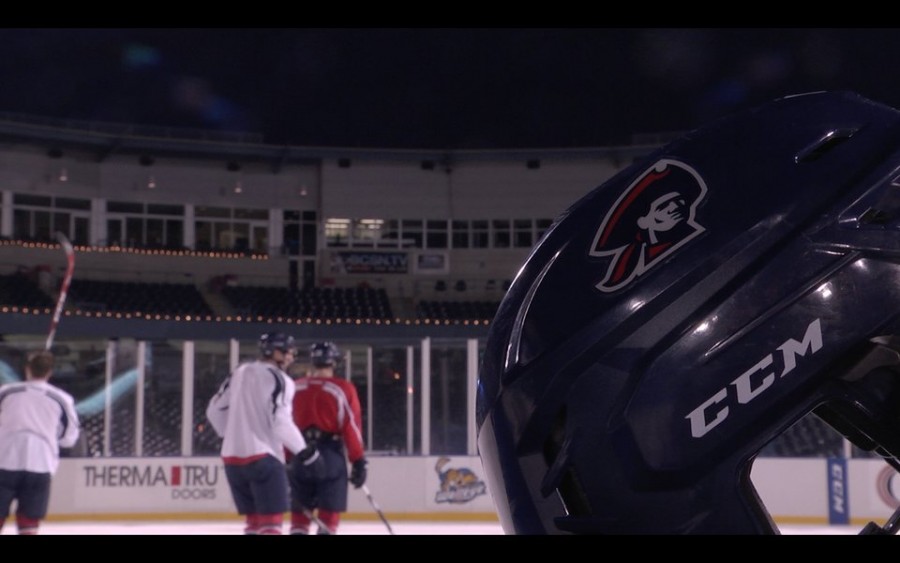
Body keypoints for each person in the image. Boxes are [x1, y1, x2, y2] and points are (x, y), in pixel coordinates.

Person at [206, 332, 324, 535]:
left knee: (253, 523)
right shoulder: (281, 379)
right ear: (274, 351)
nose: (290, 356)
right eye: (287, 351)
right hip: (263, 459)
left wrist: (233, 434)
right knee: (270, 525)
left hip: (232, 461)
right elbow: (280, 421)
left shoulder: (239, 372)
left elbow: (214, 411)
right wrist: (306, 453)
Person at [287, 341, 367, 535]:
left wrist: (286, 458)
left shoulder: (293, 387)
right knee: (328, 520)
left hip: (299, 454)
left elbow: (282, 425)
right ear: (334, 363)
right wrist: (358, 460)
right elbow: (351, 427)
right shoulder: (344, 389)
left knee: (299, 517)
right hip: (329, 456)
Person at [0, 350, 80, 535]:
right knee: (29, 520)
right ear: (50, 372)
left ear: (27, 369)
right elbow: (69, 438)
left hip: (4, 460)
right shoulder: (62, 399)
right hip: (40, 463)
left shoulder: (6, 392)